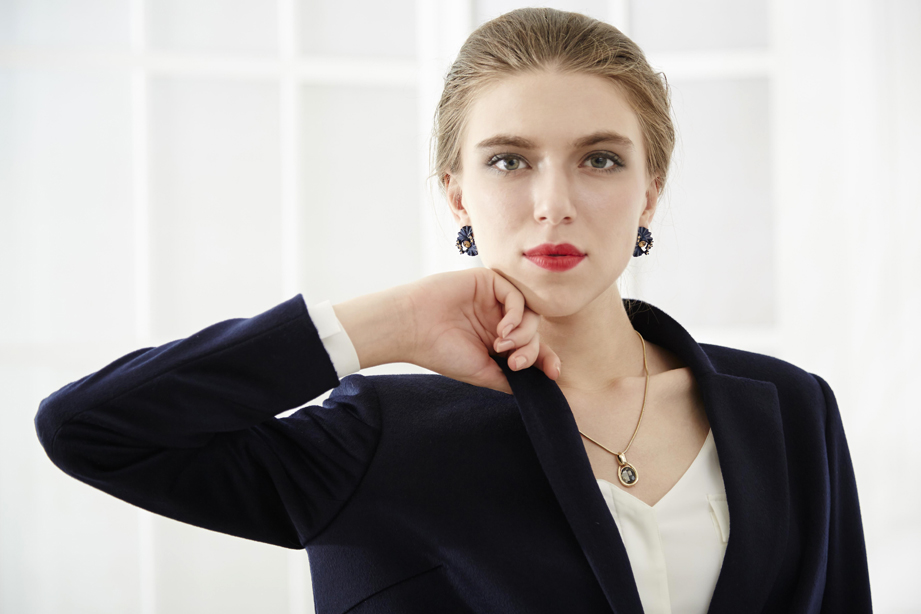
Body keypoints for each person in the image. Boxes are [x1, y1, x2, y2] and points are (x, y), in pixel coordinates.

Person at [34, 8, 871, 614]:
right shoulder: (375, 436)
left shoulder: (789, 409)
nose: (553, 203)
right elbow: (89, 429)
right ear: (457, 196)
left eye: (599, 160)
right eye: (508, 161)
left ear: (649, 191)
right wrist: (388, 324)